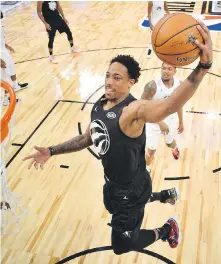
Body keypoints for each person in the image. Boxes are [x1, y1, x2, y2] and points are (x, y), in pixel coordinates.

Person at [23, 21, 212, 255]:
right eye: (108, 76)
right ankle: (163, 195)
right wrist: (51, 151)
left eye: (117, 78)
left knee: (121, 246)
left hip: (131, 190)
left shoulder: (133, 110)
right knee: (110, 204)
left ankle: (166, 230)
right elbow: (88, 138)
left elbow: (170, 105)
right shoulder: (100, 104)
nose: (109, 82)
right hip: (115, 185)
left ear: (131, 83)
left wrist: (203, 67)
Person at [141, 63, 184, 172]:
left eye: (169, 69)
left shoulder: (179, 85)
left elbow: (178, 104)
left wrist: (181, 122)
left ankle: (174, 148)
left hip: (170, 120)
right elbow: (143, 107)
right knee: (151, 150)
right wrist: (160, 122)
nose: (166, 71)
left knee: (169, 143)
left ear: (175, 70)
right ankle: (146, 169)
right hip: (152, 122)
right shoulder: (152, 86)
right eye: (164, 68)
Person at [0, 11, 28, 106]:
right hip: (0, 54)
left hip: (3, 50)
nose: (1, 11)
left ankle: (16, 86)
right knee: (5, 78)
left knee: (11, 68)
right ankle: (5, 100)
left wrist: (7, 46)